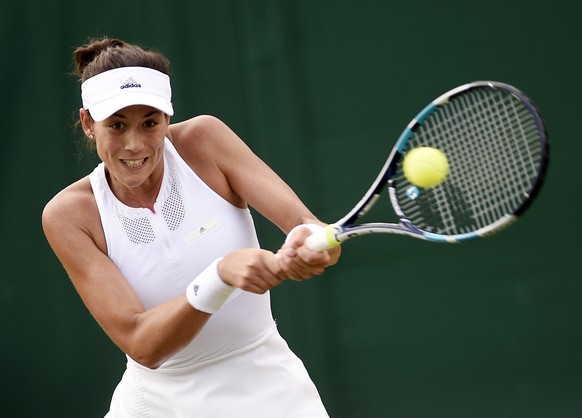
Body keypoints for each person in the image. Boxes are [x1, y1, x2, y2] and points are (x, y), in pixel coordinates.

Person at [42, 37, 340, 417]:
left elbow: (306, 225)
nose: (134, 145)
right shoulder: (69, 215)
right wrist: (219, 276)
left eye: (150, 123)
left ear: (168, 116)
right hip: (154, 405)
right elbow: (141, 343)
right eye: (116, 125)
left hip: (272, 390)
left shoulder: (204, 141)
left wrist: (313, 245)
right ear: (88, 123)